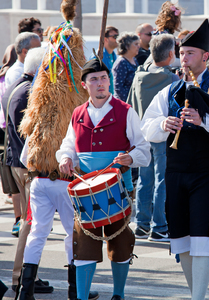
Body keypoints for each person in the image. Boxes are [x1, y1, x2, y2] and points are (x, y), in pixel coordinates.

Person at [141, 19, 209, 299]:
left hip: (206, 173)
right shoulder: (169, 92)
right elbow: (146, 125)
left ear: (206, 57)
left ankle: (197, 297)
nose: (184, 58)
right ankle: (195, 293)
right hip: (175, 172)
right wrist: (163, 125)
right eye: (181, 53)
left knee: (200, 238)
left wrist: (204, 119)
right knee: (181, 239)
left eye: (190, 53)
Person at [15, 14, 99, 299]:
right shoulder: (77, 107)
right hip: (65, 181)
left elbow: (27, 152)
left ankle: (25, 291)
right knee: (71, 234)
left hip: (39, 180)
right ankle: (76, 291)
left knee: (38, 232)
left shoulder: (39, 108)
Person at [57, 57, 150, 300]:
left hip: (119, 189)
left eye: (104, 78)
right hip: (86, 191)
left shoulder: (126, 111)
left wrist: (131, 158)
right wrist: (66, 158)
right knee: (83, 246)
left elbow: (143, 149)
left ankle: (118, 295)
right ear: (84, 84)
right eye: (95, 79)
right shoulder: (77, 114)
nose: (101, 83)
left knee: (120, 245)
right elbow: (68, 146)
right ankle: (81, 297)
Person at [3, 47, 54, 294]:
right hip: (26, 167)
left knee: (32, 224)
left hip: (21, 165)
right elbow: (28, 135)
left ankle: (27, 275)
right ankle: (20, 278)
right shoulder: (28, 92)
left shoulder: (23, 88)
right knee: (30, 225)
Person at [128, 34, 179, 241]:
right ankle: (159, 226)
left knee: (144, 179)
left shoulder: (139, 75)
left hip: (141, 133)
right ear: (170, 54)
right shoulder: (172, 78)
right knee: (162, 180)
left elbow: (129, 103)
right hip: (162, 134)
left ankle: (141, 224)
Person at [90, 26, 119, 93]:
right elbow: (93, 80)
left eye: (118, 36)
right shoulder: (98, 56)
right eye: (115, 37)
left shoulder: (114, 55)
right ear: (105, 39)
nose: (117, 39)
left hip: (111, 97)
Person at [112, 32, 140, 101]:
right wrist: (128, 103)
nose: (138, 46)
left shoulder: (134, 60)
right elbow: (118, 87)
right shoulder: (121, 62)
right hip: (124, 103)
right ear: (127, 46)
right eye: (136, 44)